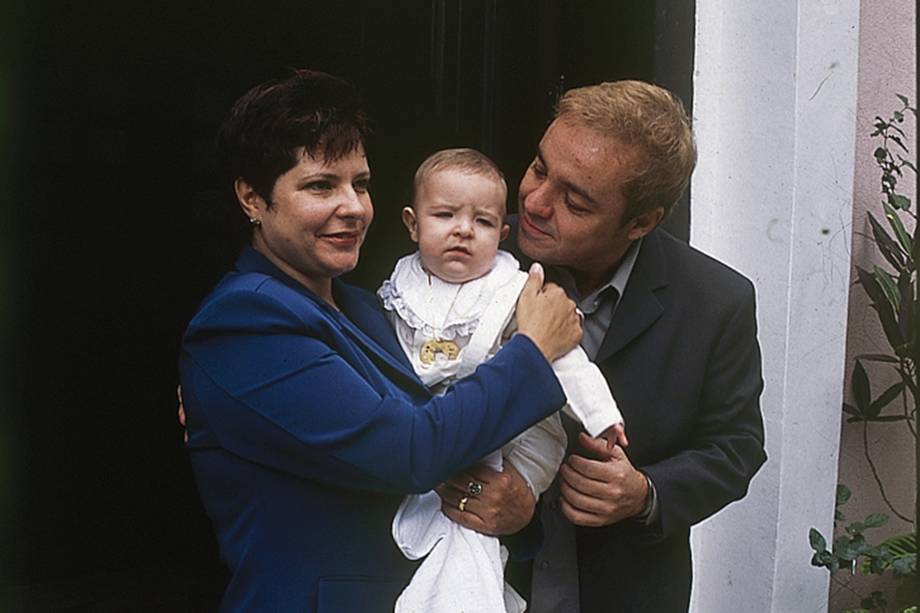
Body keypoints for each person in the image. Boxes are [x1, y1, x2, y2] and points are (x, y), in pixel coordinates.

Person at [178, 69, 586, 612]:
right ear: (252, 198)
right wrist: (533, 350)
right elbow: (413, 450)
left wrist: (516, 503)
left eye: (361, 184)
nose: (353, 207)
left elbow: (447, 435)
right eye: (321, 185)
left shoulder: (368, 306)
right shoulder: (243, 322)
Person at [440, 81, 767, 612]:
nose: (536, 202)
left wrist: (645, 493)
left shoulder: (716, 300)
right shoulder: (464, 257)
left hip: (626, 590)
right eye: (540, 169)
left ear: (641, 222)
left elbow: (736, 446)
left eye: (575, 200)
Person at [379, 148, 627, 612]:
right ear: (412, 224)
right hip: (437, 433)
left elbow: (567, 361)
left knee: (482, 524)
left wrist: (599, 416)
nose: (463, 230)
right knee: (441, 525)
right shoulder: (397, 290)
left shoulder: (513, 290)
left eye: (483, 222)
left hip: (519, 435)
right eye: (445, 215)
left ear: (503, 233)